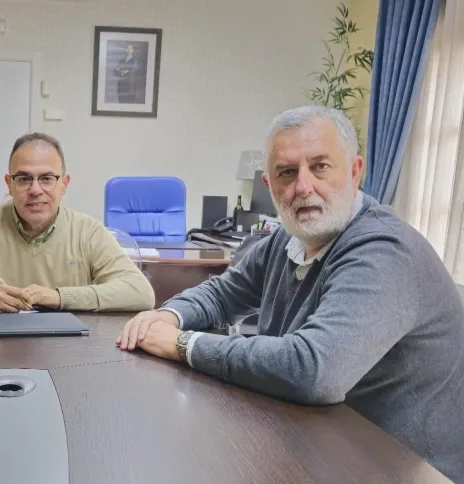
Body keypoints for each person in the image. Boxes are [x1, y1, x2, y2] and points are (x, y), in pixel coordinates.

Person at [117, 105, 464, 482]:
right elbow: (222, 294)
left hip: (399, 468)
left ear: (354, 172)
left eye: (320, 167)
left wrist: (182, 344)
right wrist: (169, 316)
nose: (303, 187)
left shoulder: (385, 251)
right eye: (287, 172)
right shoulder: (289, 237)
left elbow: (315, 370)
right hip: (318, 442)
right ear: (270, 185)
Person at [0, 133, 155, 313]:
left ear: (64, 184)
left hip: (67, 353)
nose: (35, 190)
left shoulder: (87, 232)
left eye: (47, 178)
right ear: (9, 185)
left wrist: (59, 297)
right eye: (23, 179)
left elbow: (140, 293)